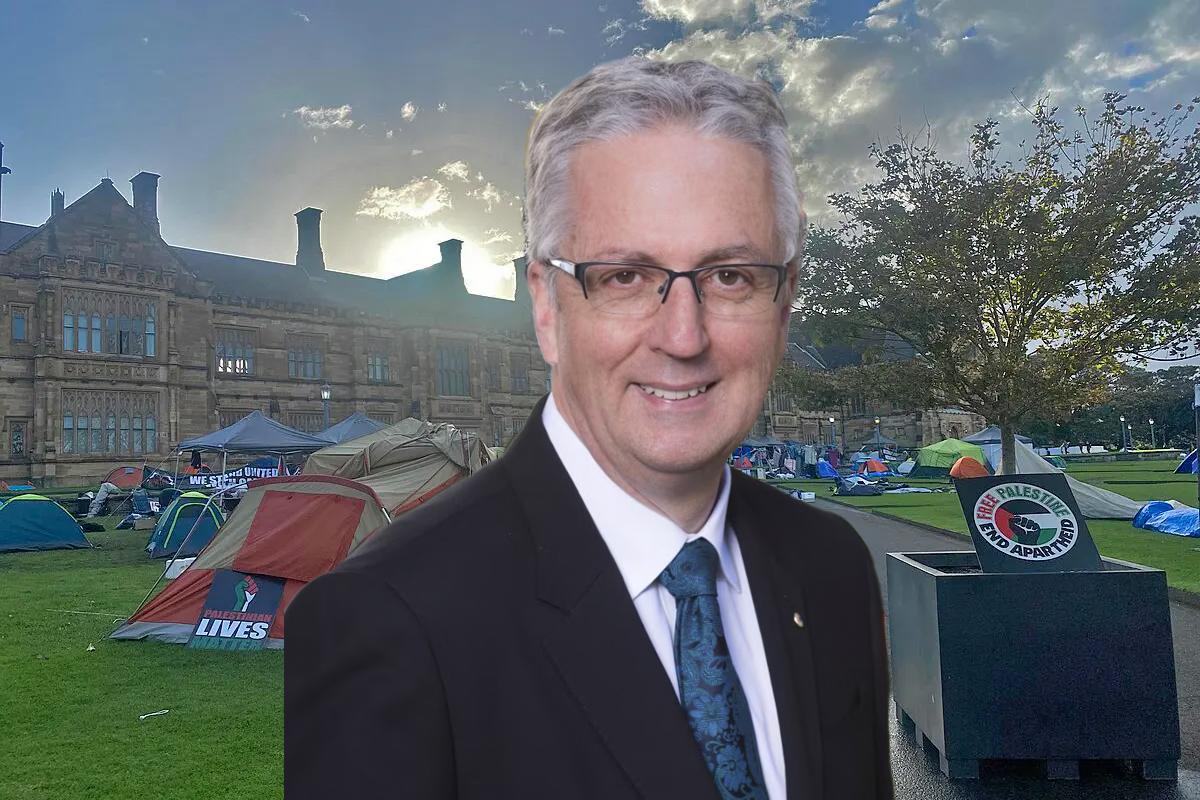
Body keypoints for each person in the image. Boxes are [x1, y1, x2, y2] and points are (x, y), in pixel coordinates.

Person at [285, 56, 893, 799]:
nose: (682, 336)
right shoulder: (387, 620)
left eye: (730, 275)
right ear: (545, 306)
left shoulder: (832, 567)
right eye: (623, 277)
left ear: (784, 299)